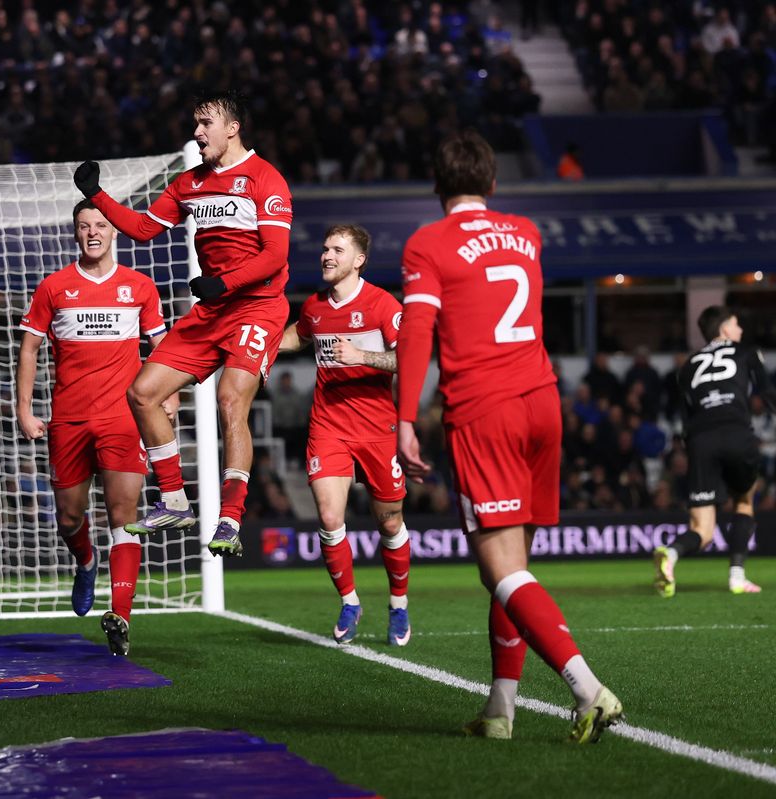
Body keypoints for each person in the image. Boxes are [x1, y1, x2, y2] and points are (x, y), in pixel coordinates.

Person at [395, 131, 621, 743]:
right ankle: (500, 709)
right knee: (511, 566)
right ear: (492, 184)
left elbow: (418, 329)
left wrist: (405, 418)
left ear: (437, 186)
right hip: (543, 402)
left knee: (499, 568)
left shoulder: (427, 243)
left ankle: (588, 690)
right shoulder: (526, 232)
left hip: (485, 408)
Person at [72, 89, 293, 558]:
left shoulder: (264, 179)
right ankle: (174, 500)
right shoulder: (190, 182)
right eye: (196, 123)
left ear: (232, 127)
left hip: (256, 306)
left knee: (230, 398)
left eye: (206, 122)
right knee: (143, 393)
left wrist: (225, 282)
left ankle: (231, 516)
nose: (197, 132)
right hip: (211, 312)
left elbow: (276, 256)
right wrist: (97, 195)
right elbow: (143, 228)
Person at [16, 199, 175, 656]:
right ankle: (85, 562)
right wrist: (24, 410)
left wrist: (169, 393)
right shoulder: (54, 288)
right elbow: (29, 349)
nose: (92, 232)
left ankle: (120, 614)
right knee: (69, 516)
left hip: (123, 419)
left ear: (113, 231)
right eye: (84, 226)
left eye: (100, 224)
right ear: (75, 234)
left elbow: (161, 345)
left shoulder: (140, 287)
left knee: (125, 516)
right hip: (67, 419)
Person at [278, 224, 412, 647]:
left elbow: (408, 359)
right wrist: (251, 343)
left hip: (377, 427)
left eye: (337, 249)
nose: (326, 255)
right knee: (330, 517)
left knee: (389, 522)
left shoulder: (382, 305)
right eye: (324, 249)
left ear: (359, 260)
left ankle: (398, 604)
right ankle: (350, 601)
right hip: (328, 424)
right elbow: (296, 338)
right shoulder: (315, 307)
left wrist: (362, 356)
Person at [653, 306, 776, 596]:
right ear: (724, 330)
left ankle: (670, 555)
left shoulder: (688, 365)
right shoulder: (746, 351)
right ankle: (736, 577)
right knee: (744, 501)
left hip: (700, 440)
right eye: (736, 324)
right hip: (736, 432)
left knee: (703, 530)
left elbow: (685, 416)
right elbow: (767, 393)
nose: (741, 330)